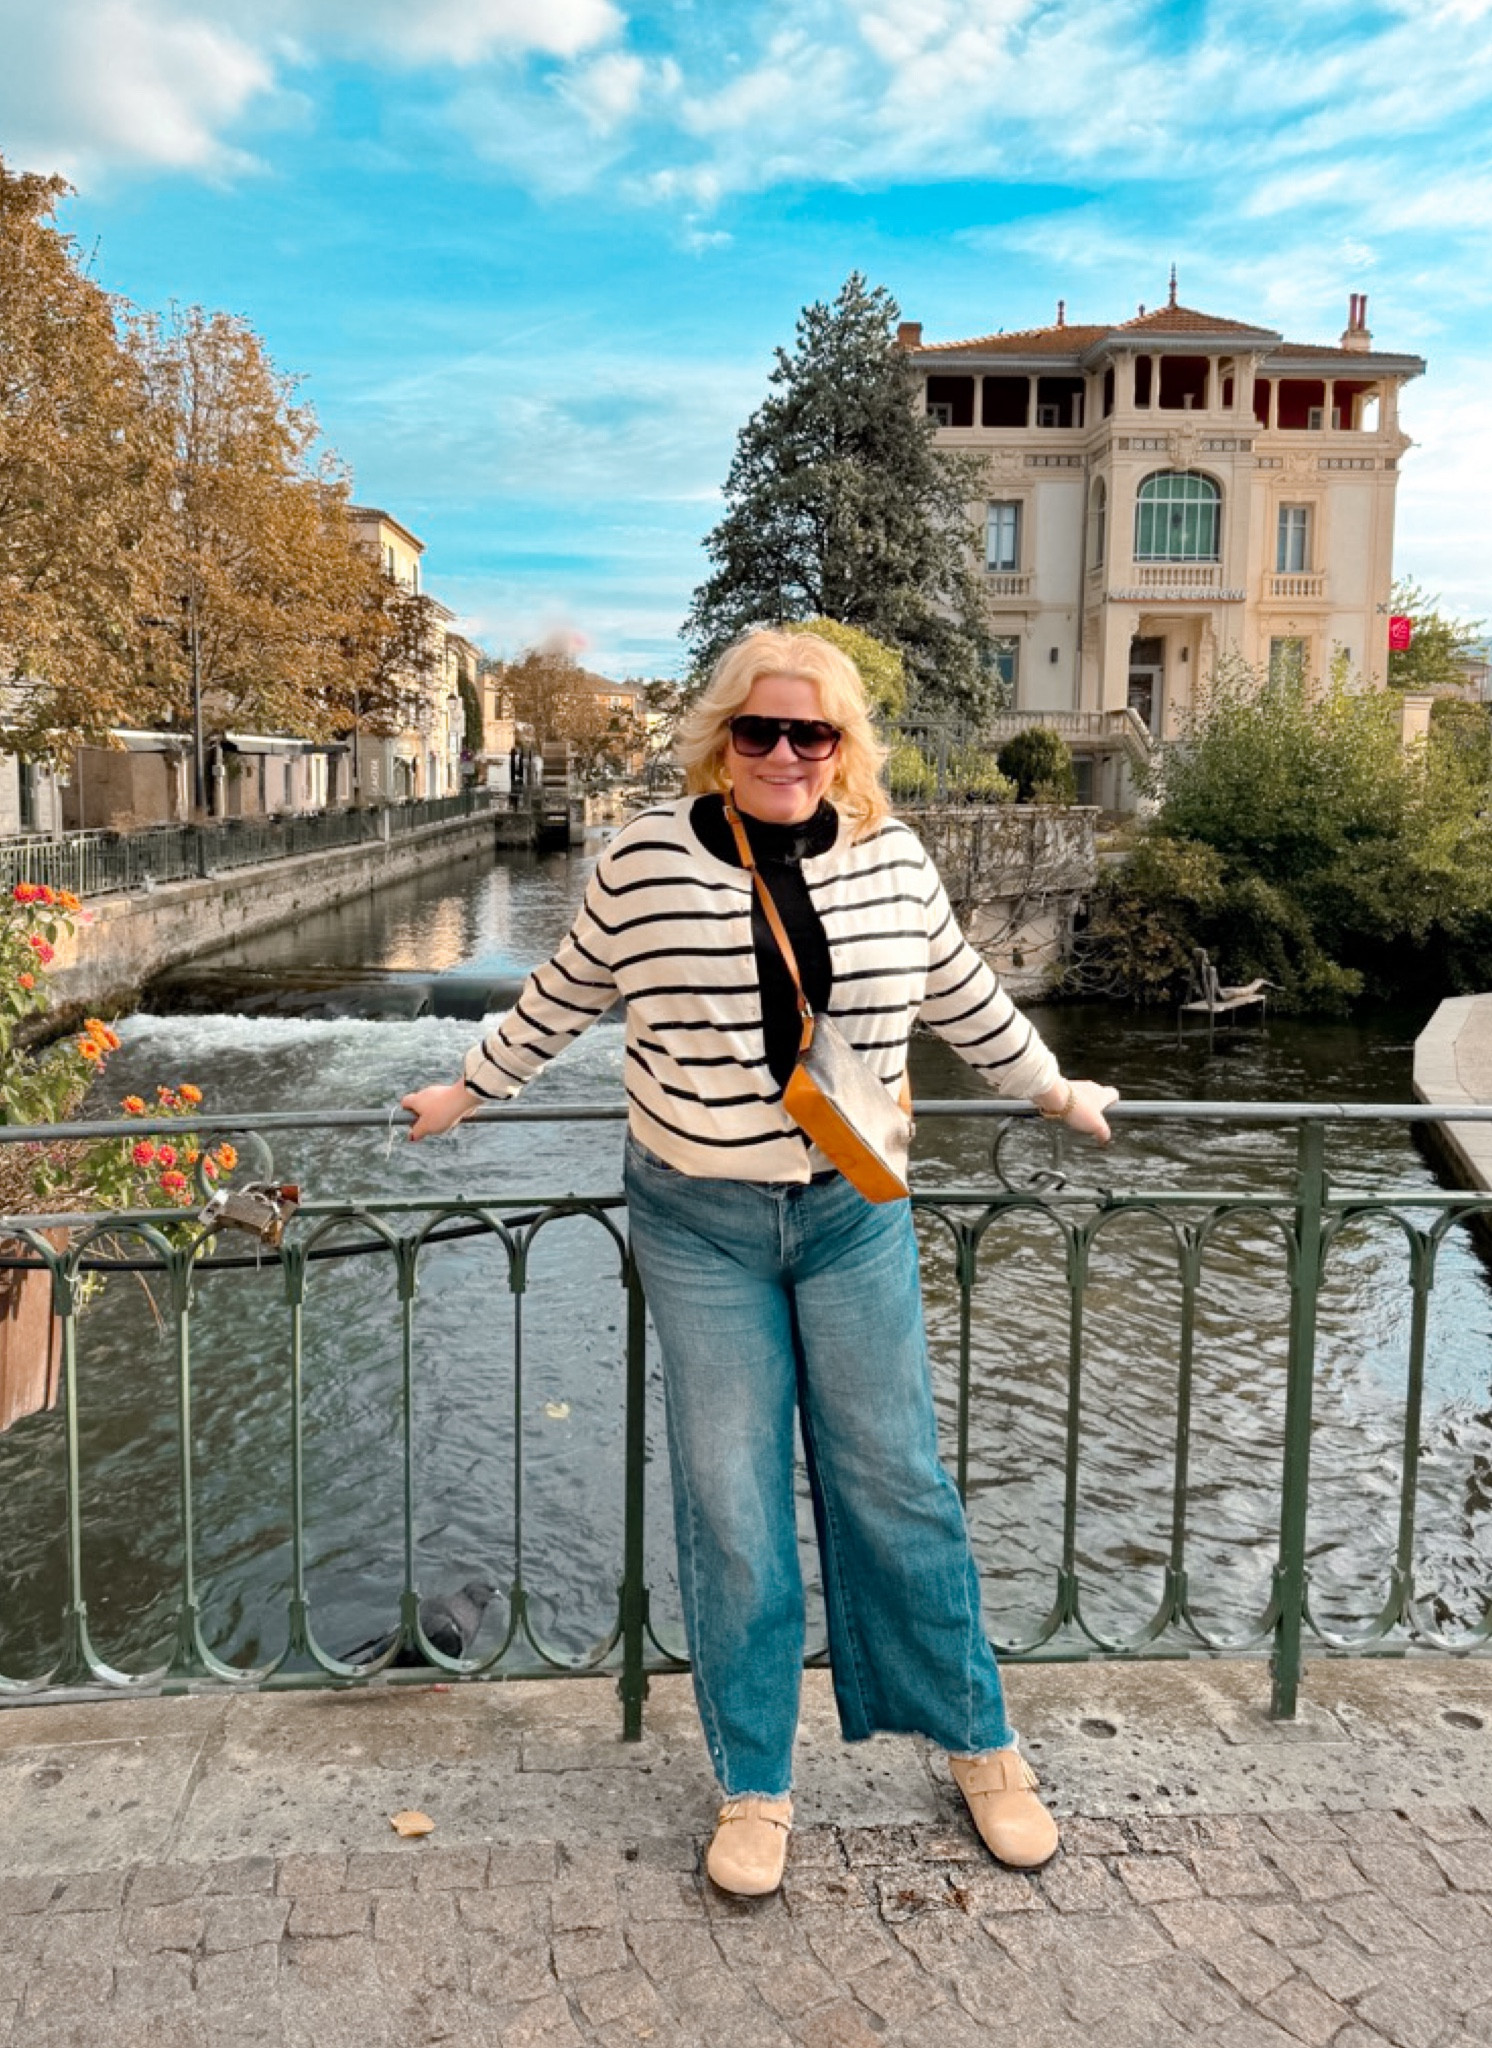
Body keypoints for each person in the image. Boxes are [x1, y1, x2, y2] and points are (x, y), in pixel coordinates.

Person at [402, 628, 1118, 1897]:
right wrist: (468, 1087)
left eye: (811, 732)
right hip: (700, 1222)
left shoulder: (893, 857)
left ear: (843, 746)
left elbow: (962, 992)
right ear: (720, 736)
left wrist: (1056, 1089)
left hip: (852, 1210)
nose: (785, 753)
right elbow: (563, 992)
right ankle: (756, 1779)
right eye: (759, 729)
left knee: (895, 1477)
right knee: (732, 1502)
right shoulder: (646, 858)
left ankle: (977, 1738)